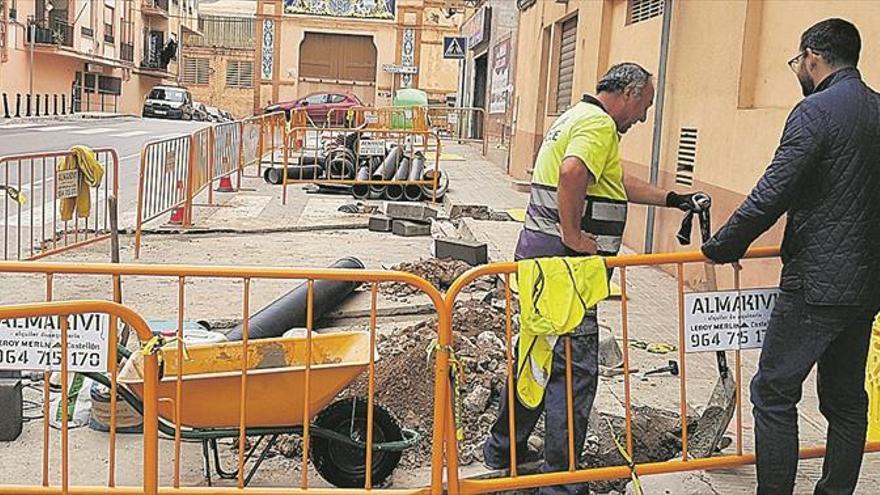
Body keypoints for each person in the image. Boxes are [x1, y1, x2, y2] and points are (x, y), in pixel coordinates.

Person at [482, 62, 710, 495]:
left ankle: (503, 450)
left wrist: (674, 199)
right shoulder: (598, 125)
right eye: (645, 105)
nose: (643, 117)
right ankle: (562, 484)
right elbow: (572, 172)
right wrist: (573, 236)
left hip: (539, 265)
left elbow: (614, 182)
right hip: (566, 272)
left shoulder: (575, 117)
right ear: (629, 92)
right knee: (574, 373)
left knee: (537, 359)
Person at [701, 19, 880, 495]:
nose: (798, 69)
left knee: (774, 391)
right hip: (865, 287)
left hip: (815, 284)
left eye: (798, 61)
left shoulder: (814, 112)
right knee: (845, 399)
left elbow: (772, 193)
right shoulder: (878, 110)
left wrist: (724, 245)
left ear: (813, 57)